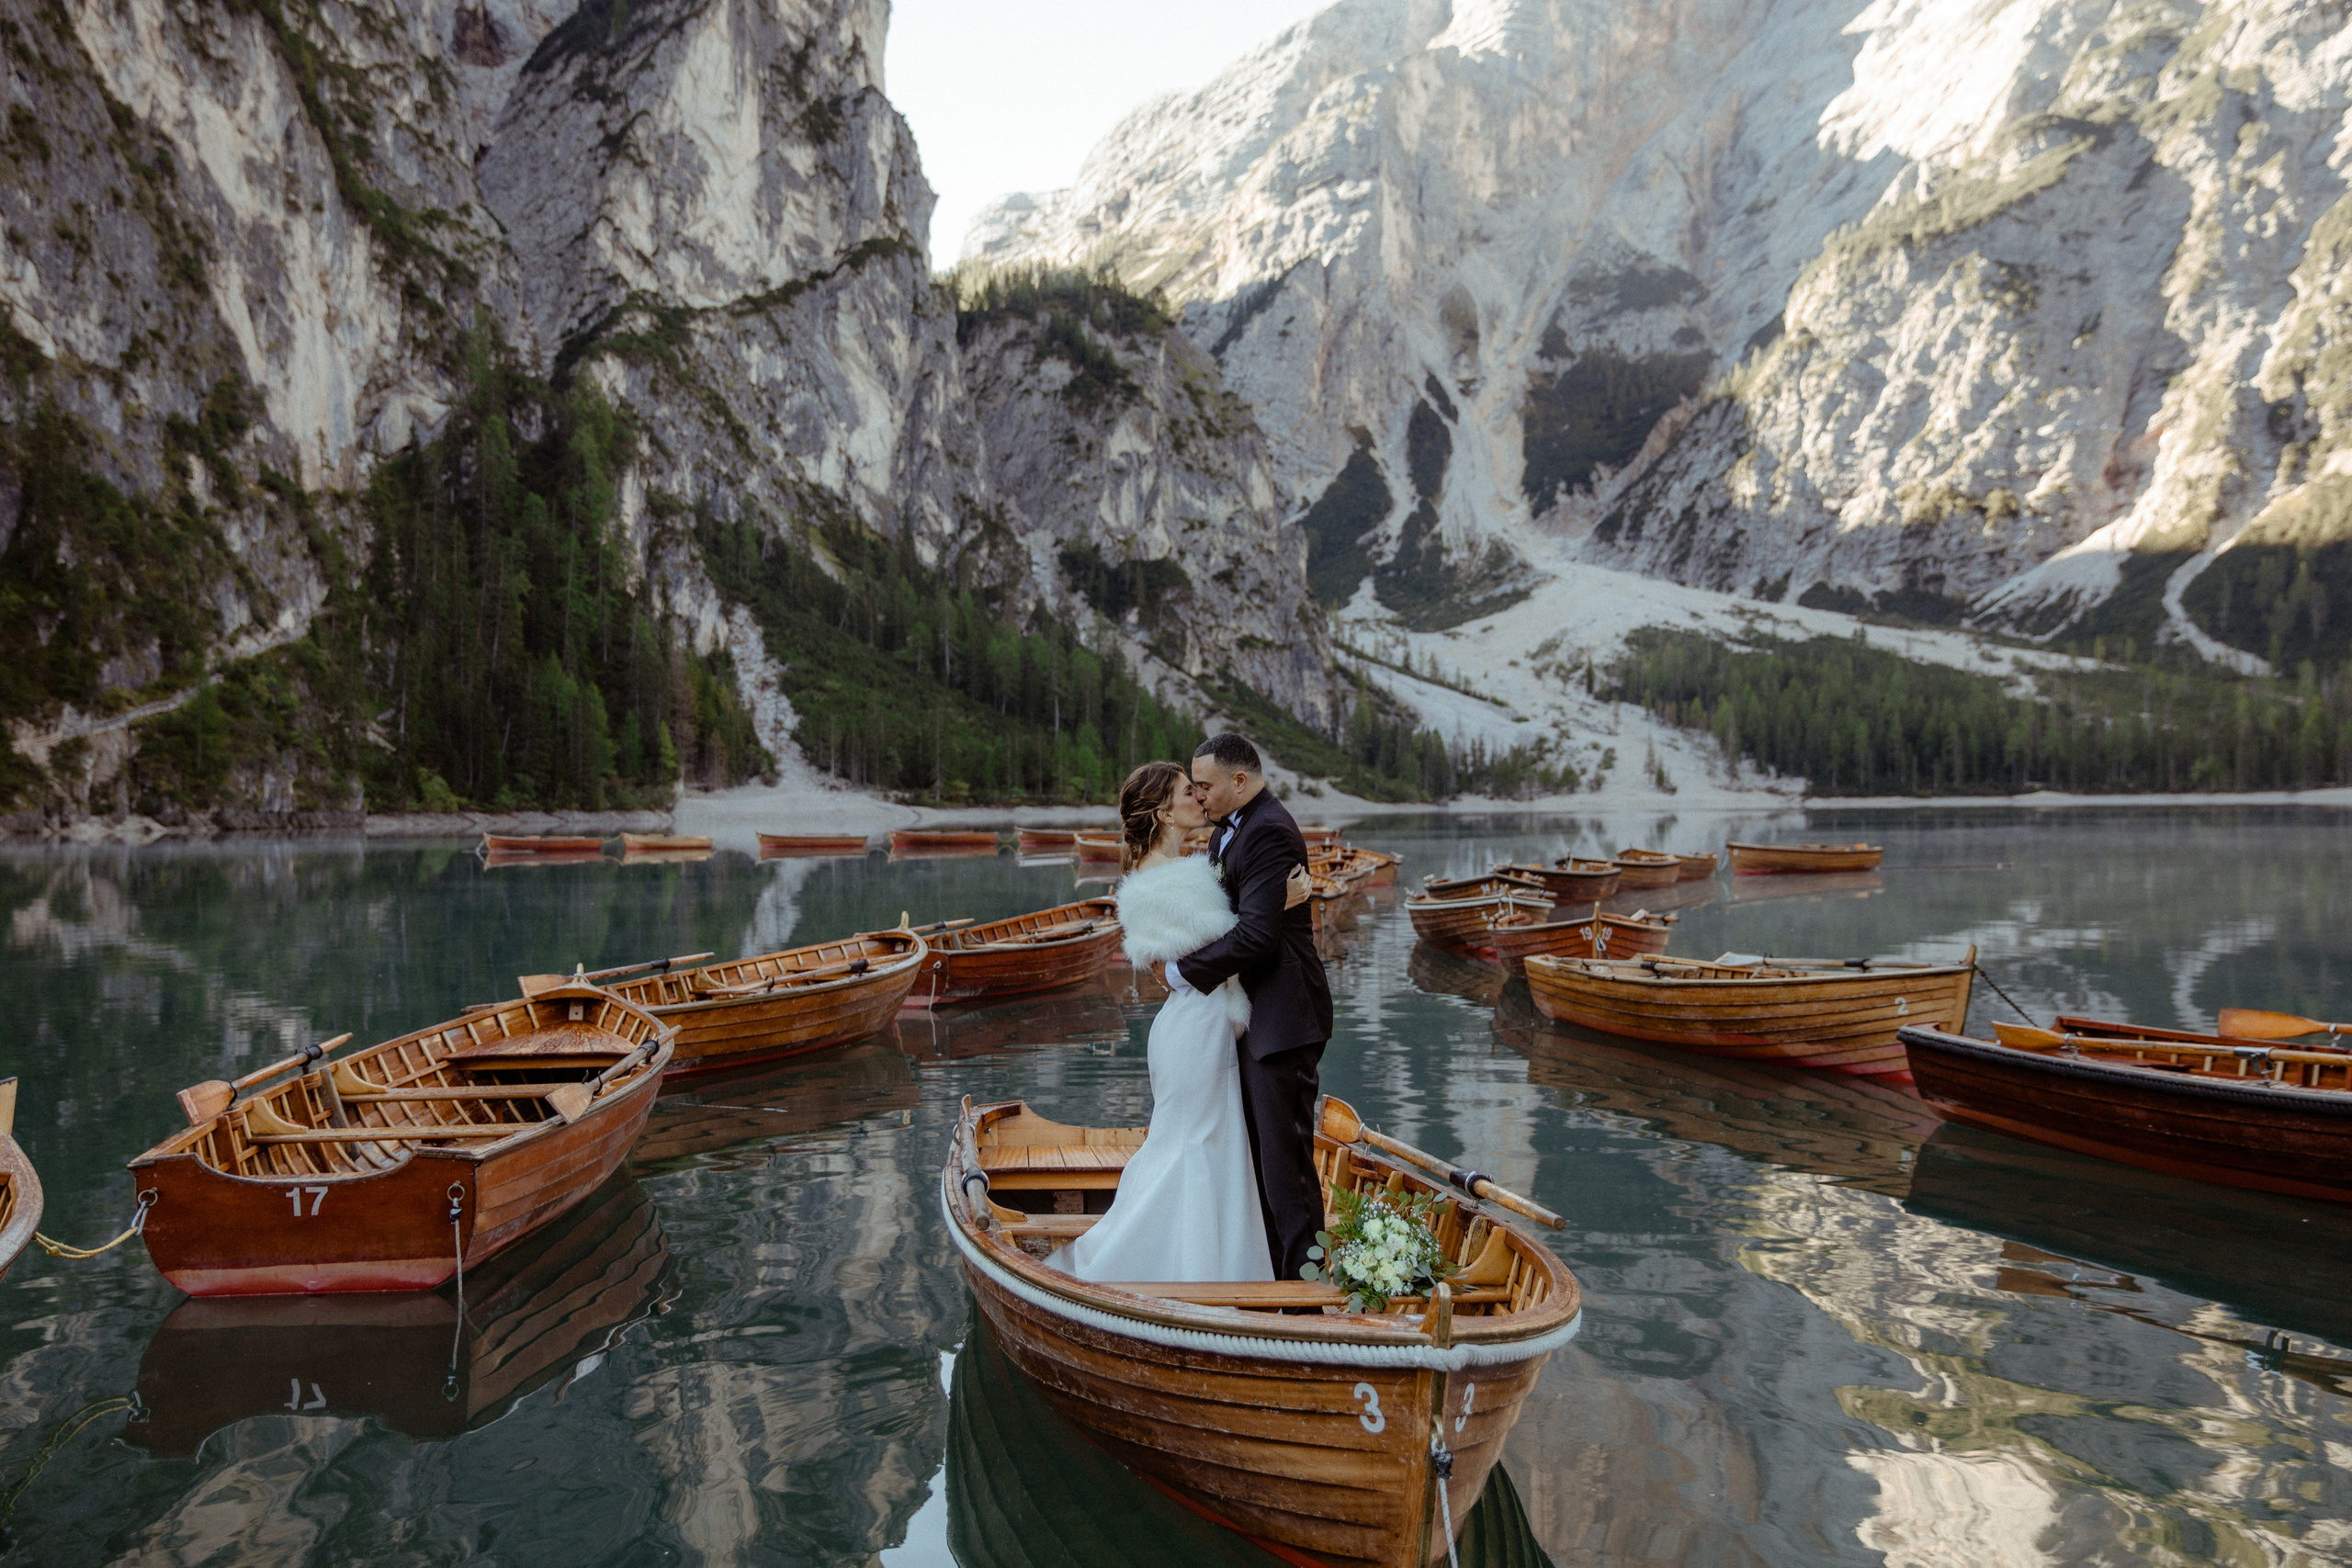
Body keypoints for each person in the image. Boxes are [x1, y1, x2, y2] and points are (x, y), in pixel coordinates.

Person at [1047, 762, 1310, 1283]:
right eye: (1188, 792)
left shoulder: (1181, 868)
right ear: (1165, 812)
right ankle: (1176, 1269)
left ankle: (1216, 1267)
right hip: (1196, 1029)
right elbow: (1237, 940)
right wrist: (1281, 902)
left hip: (1202, 1023)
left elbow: (1213, 942)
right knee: (1193, 1146)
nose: (1200, 799)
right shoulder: (1158, 882)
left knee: (1209, 1144)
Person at [1171, 733, 1335, 1283]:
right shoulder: (1226, 833)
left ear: (1240, 781)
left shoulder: (1268, 830)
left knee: (1283, 1162)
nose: (1199, 797)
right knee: (1260, 1156)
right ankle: (1273, 1277)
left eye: (1207, 786)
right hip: (1250, 1014)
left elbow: (1259, 936)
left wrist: (1180, 973)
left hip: (1283, 1015)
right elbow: (1233, 913)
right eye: (1191, 788)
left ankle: (1305, 1287)